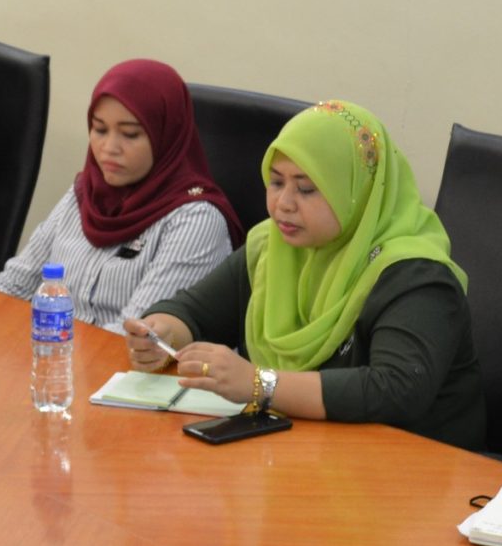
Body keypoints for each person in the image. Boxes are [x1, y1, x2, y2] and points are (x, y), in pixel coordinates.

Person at [125, 100, 482, 446]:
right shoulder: (272, 247)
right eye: (276, 182)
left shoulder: (417, 276)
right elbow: (193, 311)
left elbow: (395, 390)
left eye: (307, 189)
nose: (283, 204)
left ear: (356, 192)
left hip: (415, 464)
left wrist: (260, 384)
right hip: (304, 449)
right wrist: (162, 334)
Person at [0, 59, 240, 331]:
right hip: (53, 347)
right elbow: (15, 283)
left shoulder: (196, 220)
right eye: (100, 129)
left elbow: (136, 335)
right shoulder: (84, 192)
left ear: (166, 137)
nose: (109, 148)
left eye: (130, 134)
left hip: (110, 355)